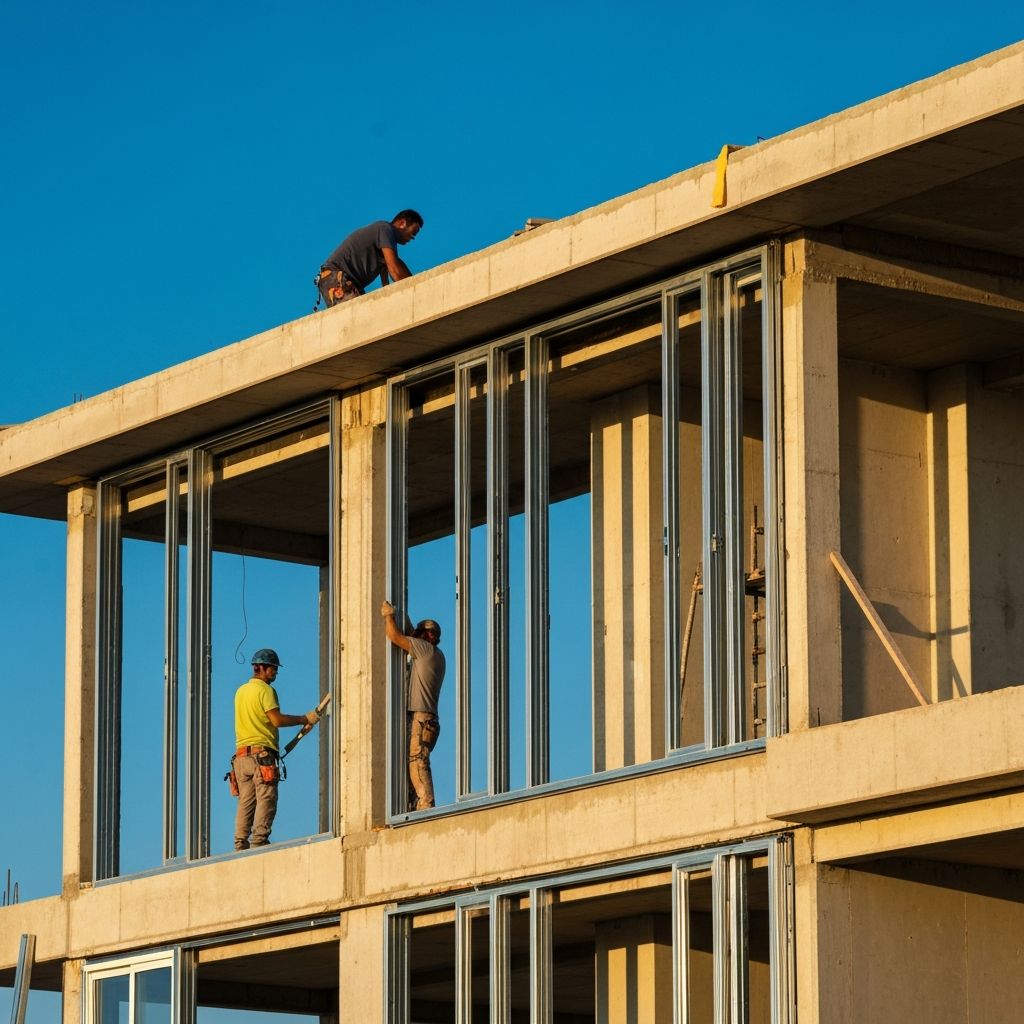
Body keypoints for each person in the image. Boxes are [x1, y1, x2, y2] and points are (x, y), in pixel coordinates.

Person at [232, 648, 321, 850]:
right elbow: (276, 720)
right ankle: (259, 841)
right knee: (266, 797)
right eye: (273, 668)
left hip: (241, 758)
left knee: (245, 802)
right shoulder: (266, 691)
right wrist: (303, 719)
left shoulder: (241, 691)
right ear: (261, 668)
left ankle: (240, 843)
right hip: (261, 757)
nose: (275, 672)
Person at [381, 601, 446, 810]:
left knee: (417, 763)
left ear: (426, 636)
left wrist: (389, 617)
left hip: (421, 718)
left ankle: (425, 806)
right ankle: (412, 806)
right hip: (429, 720)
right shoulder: (436, 654)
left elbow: (395, 636)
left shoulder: (424, 649)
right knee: (414, 763)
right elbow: (410, 632)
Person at [316, 210, 423, 309]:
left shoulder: (384, 249)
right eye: (413, 232)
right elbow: (394, 270)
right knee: (356, 316)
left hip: (346, 282)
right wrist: (414, 292)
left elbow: (389, 282)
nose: (413, 238)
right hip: (335, 276)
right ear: (402, 223)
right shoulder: (385, 229)